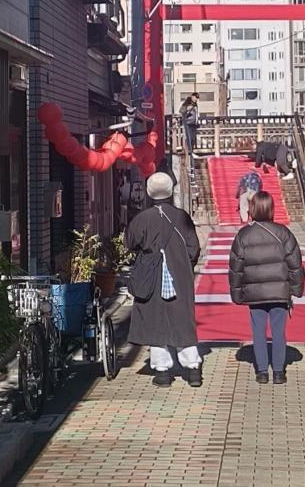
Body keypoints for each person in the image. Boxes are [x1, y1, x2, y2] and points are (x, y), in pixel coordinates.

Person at [124, 172, 203, 388]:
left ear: (150, 192)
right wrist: (184, 264)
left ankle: (162, 371)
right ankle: (193, 368)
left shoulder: (142, 219)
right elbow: (193, 247)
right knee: (182, 319)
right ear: (170, 191)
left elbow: (130, 242)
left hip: (151, 276)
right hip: (179, 273)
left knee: (154, 319)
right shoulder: (182, 217)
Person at [228, 192, 304, 385]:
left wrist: (237, 294)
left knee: (258, 332)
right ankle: (279, 371)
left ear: (252, 209)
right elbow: (295, 264)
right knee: (279, 331)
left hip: (254, 293)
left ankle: (262, 371)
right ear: (271, 209)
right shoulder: (284, 233)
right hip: (279, 291)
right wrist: (295, 289)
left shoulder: (244, 235)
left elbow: (236, 268)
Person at [178, 93, 201, 163]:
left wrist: (197, 121)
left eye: (197, 98)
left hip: (194, 123)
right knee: (189, 138)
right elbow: (181, 111)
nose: (196, 99)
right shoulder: (187, 102)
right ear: (192, 97)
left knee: (193, 138)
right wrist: (188, 109)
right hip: (188, 122)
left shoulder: (195, 105)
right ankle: (190, 152)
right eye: (195, 97)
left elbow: (196, 114)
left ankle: (192, 151)